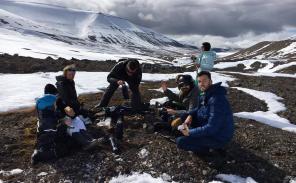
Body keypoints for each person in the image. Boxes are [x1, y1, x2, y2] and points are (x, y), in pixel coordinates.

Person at [176, 71, 234, 153]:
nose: (201, 84)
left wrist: (190, 132)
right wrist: (190, 115)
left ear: (210, 81)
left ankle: (210, 150)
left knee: (180, 141)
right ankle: (197, 138)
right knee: (185, 116)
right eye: (199, 81)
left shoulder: (217, 99)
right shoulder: (205, 94)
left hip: (218, 137)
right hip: (208, 126)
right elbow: (197, 109)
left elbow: (212, 127)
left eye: (204, 81)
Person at [31, 84, 74, 165]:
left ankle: (39, 152)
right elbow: (54, 124)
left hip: (42, 131)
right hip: (49, 135)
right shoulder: (50, 108)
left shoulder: (41, 104)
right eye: (56, 95)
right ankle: (39, 155)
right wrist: (64, 123)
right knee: (66, 148)